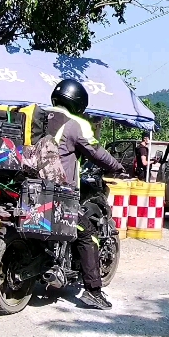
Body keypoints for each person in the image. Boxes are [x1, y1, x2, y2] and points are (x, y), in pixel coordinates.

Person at [46, 78, 125, 311]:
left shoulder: (36, 116)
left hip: (27, 189)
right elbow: (95, 152)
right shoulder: (75, 123)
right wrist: (117, 167)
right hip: (59, 193)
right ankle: (93, 292)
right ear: (78, 102)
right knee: (86, 233)